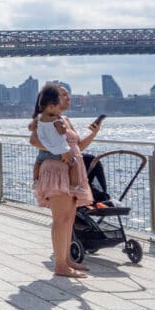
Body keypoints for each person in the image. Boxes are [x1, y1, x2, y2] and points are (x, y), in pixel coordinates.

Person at [29, 84, 102, 279]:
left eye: (68, 93)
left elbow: (78, 146)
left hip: (72, 168)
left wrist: (94, 133)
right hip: (56, 170)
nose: (68, 97)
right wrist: (59, 151)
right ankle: (60, 265)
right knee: (60, 219)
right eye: (63, 94)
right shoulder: (46, 121)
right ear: (51, 101)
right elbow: (35, 141)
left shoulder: (65, 120)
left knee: (69, 218)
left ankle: (67, 259)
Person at [34, 96, 84, 193]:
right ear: (51, 107)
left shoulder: (40, 120)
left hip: (44, 151)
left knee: (38, 162)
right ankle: (75, 186)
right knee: (74, 165)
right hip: (58, 151)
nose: (60, 110)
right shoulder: (56, 121)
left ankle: (35, 181)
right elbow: (62, 132)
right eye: (58, 108)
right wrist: (62, 126)